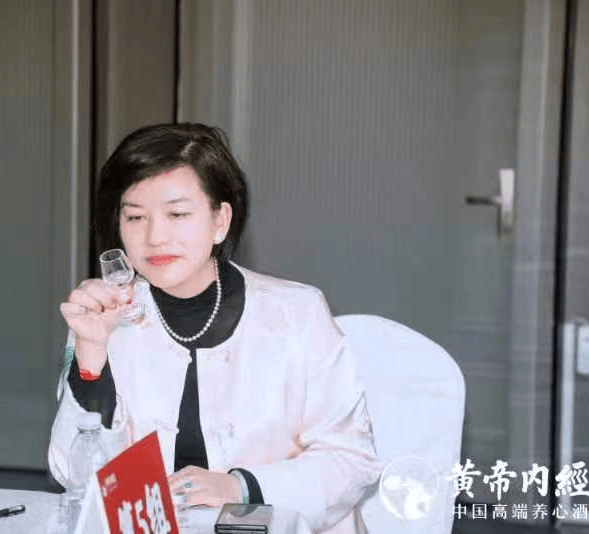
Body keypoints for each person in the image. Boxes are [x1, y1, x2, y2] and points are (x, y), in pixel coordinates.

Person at [48, 123, 382, 533]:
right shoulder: (104, 315)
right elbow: (72, 474)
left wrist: (241, 486)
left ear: (220, 220)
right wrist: (91, 356)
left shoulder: (297, 313)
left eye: (177, 214)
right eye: (135, 216)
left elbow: (352, 460)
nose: (155, 236)